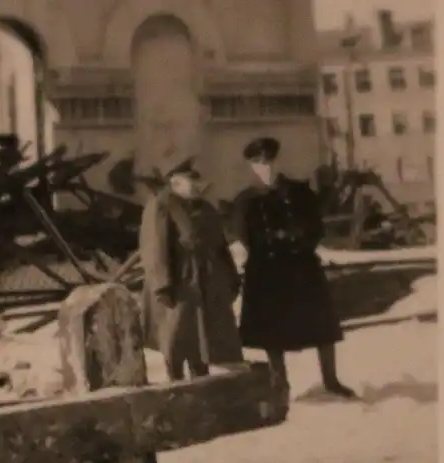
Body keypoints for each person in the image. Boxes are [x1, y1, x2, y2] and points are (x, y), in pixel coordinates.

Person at [230, 137, 357, 413]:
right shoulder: (245, 199)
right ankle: (280, 383)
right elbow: (246, 236)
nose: (266, 168)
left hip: (301, 267)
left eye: (269, 161)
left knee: (322, 326)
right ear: (251, 167)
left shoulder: (300, 192)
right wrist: (274, 242)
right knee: (272, 333)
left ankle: (331, 380)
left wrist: (294, 238)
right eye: (258, 163)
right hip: (267, 271)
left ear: (278, 161)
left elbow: (315, 228)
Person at [139, 152, 243, 381]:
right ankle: (175, 381)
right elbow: (155, 248)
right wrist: (162, 285)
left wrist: (232, 279)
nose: (197, 186)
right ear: (175, 182)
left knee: (202, 339)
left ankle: (201, 380)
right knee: (176, 337)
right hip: (179, 283)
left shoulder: (205, 208)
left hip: (207, 281)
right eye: (191, 181)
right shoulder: (161, 206)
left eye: (197, 181)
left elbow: (221, 246)